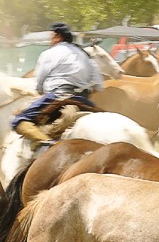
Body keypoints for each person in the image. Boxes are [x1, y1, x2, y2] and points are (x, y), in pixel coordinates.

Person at [11, 22, 104, 150]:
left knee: (19, 120)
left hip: (58, 96)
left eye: (51, 36)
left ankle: (50, 144)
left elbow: (39, 84)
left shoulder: (50, 53)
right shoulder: (86, 55)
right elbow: (98, 86)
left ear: (58, 37)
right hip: (84, 100)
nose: (50, 39)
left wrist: (41, 92)